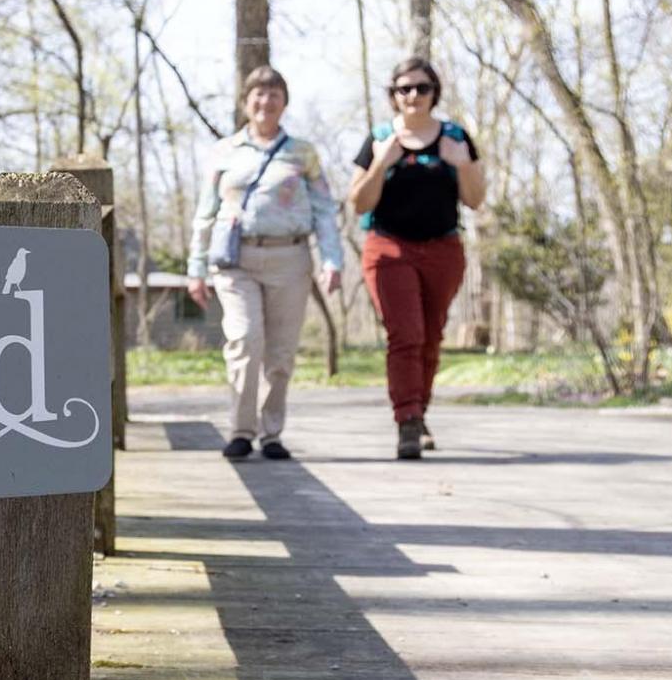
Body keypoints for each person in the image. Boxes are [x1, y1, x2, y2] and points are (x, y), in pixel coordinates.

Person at [186, 65, 343, 461]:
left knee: (280, 351)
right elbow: (206, 212)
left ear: (284, 103)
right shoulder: (225, 152)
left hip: (290, 257)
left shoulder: (301, 152)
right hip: (236, 260)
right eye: (258, 93)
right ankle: (241, 429)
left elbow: (324, 208)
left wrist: (332, 260)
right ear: (245, 102)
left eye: (274, 93)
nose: (265, 100)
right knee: (244, 338)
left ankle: (272, 432)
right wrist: (196, 268)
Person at [347, 56, 486, 460]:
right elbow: (358, 203)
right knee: (405, 335)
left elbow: (475, 200)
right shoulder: (378, 138)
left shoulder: (456, 137)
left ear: (434, 93)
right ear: (393, 96)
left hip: (442, 248)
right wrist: (380, 163)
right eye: (404, 89)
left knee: (431, 336)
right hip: (389, 248)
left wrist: (461, 164)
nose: (413, 95)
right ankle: (406, 420)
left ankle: (419, 411)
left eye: (421, 88)